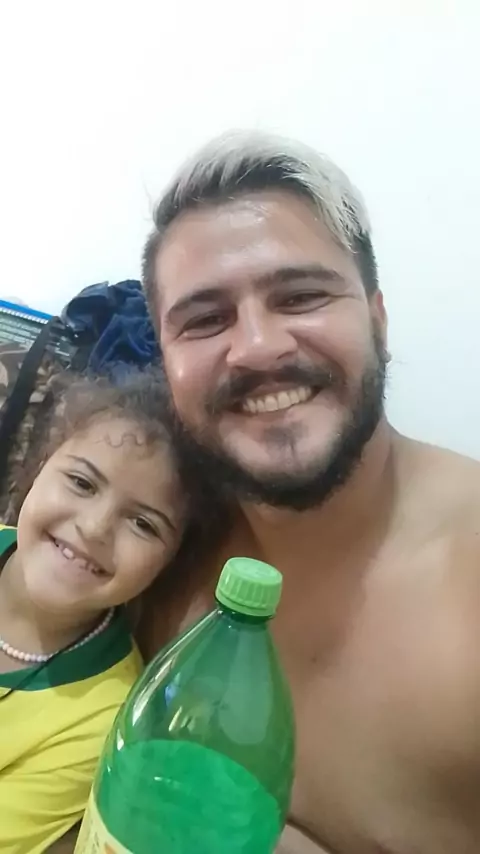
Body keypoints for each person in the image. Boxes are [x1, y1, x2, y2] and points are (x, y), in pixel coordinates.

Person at [140, 130, 480, 854]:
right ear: (165, 364)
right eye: (204, 319)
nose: (258, 347)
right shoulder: (152, 546)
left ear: (378, 321)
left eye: (300, 296)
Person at [0, 369, 200, 854]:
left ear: (167, 564)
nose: (93, 528)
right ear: (39, 465)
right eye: (81, 482)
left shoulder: (103, 719)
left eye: (143, 524)